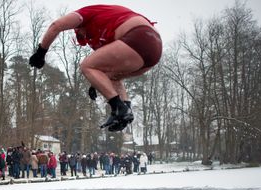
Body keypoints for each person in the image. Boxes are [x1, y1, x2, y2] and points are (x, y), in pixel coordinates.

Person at [29, 5, 162, 131]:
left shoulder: (86, 14)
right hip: (153, 51)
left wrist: (41, 52)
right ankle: (124, 112)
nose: (85, 38)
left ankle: (118, 107)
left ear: (79, 26)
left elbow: (56, 25)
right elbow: (106, 71)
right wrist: (97, 83)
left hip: (139, 35)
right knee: (115, 77)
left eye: (81, 34)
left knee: (86, 65)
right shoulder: (107, 34)